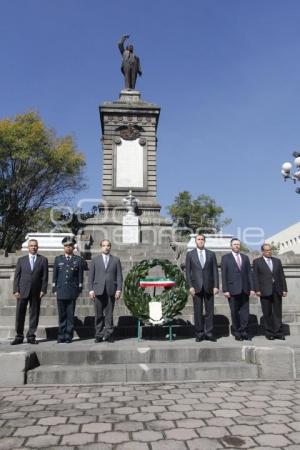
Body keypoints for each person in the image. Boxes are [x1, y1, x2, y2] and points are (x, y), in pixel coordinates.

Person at [11, 239, 48, 345]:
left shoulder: (43, 260)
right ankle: (19, 336)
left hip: (36, 292)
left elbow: (45, 277)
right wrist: (15, 290)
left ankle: (31, 336)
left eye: (35, 246)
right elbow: (17, 277)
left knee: (34, 314)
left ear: (38, 247)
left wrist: (43, 289)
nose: (33, 247)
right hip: (22, 291)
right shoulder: (21, 260)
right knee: (20, 314)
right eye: (31, 246)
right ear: (28, 247)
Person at [185, 234, 219, 342]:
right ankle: (199, 333)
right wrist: (190, 286)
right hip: (196, 287)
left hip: (209, 286)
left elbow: (215, 271)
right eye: (198, 239)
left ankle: (209, 333)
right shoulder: (190, 254)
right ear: (195, 241)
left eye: (202, 239)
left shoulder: (211, 254)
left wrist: (216, 286)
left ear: (205, 241)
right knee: (198, 311)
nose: (200, 241)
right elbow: (188, 272)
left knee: (209, 311)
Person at [88, 240, 123, 343]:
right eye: (104, 246)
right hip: (98, 290)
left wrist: (119, 289)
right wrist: (90, 290)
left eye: (108, 246)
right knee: (98, 314)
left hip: (111, 290)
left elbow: (119, 276)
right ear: (101, 247)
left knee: (109, 314)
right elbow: (91, 277)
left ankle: (108, 334)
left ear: (110, 247)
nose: (106, 247)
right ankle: (98, 334)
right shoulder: (95, 260)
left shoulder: (116, 260)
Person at [221, 238, 255, 341]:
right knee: (234, 312)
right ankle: (237, 332)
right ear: (231, 246)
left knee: (245, 312)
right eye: (234, 244)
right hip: (232, 290)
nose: (236, 246)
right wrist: (225, 290)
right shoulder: (225, 258)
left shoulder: (245, 258)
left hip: (245, 289)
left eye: (238, 244)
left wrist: (252, 288)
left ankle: (244, 331)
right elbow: (224, 274)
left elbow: (249, 274)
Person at [52, 237, 84, 343]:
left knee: (70, 315)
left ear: (73, 247)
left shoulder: (78, 260)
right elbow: (55, 276)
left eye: (70, 246)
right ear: (63, 247)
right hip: (61, 290)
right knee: (62, 314)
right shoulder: (58, 259)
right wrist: (54, 288)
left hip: (72, 290)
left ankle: (68, 336)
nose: (68, 247)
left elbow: (80, 276)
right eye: (66, 246)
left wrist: (79, 288)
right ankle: (61, 335)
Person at [253, 243, 287, 340]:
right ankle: (269, 333)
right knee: (267, 312)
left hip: (277, 290)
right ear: (262, 251)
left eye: (270, 250)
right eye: (267, 250)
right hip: (264, 291)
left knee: (277, 312)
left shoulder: (277, 261)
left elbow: (281, 276)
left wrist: (284, 289)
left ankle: (278, 332)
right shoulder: (257, 262)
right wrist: (257, 290)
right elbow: (255, 277)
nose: (269, 252)